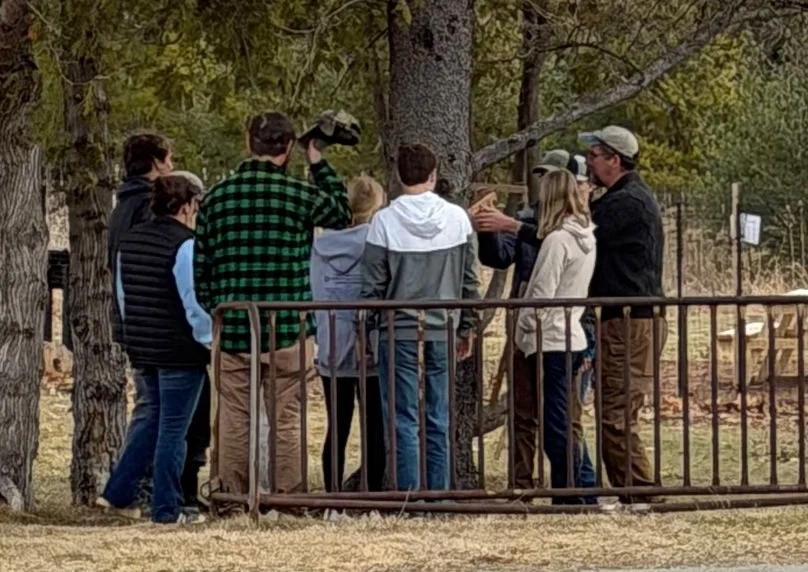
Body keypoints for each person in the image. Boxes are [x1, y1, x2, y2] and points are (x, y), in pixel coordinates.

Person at [194, 112, 351, 511]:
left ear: (250, 143)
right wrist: (317, 159)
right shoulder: (298, 196)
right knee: (287, 417)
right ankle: (287, 498)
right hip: (288, 328)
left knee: (234, 417)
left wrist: (220, 308)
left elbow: (202, 270)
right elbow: (340, 212)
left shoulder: (215, 197)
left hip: (234, 327)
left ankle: (231, 495)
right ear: (286, 149)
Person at [360, 143, 480, 492]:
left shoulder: (383, 221)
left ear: (398, 176)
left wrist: (368, 330)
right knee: (439, 414)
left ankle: (409, 495)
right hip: (444, 326)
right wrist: (468, 324)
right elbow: (470, 279)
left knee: (402, 416)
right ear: (434, 175)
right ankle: (439, 494)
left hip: (397, 329)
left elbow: (372, 285)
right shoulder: (457, 218)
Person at [473, 149, 596, 489]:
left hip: (559, 324)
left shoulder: (572, 228)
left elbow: (553, 250)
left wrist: (513, 225)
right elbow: (499, 257)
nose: (543, 184)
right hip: (529, 322)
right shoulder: (532, 218)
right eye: (541, 176)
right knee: (523, 410)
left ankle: (580, 485)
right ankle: (522, 484)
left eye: (551, 177)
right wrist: (488, 228)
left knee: (564, 416)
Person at [97, 175, 211, 524]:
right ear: (187, 206)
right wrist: (209, 339)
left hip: (142, 345)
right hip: (179, 348)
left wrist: (132, 335)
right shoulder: (186, 245)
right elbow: (191, 301)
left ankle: (117, 492)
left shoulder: (129, 242)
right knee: (174, 428)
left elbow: (123, 295)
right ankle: (167, 508)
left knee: (149, 419)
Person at [577, 125, 666, 501]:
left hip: (630, 320)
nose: (589, 164)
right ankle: (634, 493)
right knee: (613, 409)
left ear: (615, 160)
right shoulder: (621, 198)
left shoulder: (626, 203)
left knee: (616, 413)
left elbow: (579, 232)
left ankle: (643, 494)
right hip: (624, 318)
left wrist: (515, 226)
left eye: (594, 156)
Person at [515, 169, 597, 504]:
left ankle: (567, 492)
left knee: (554, 423)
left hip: (550, 338)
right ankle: (573, 487)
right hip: (571, 334)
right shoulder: (586, 238)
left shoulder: (557, 241)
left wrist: (524, 326)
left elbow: (542, 293)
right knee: (563, 418)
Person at [310, 176, 387, 492]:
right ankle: (371, 495)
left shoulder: (320, 245)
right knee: (374, 427)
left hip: (331, 341)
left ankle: (333, 495)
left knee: (336, 426)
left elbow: (315, 289)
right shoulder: (379, 242)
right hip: (370, 343)